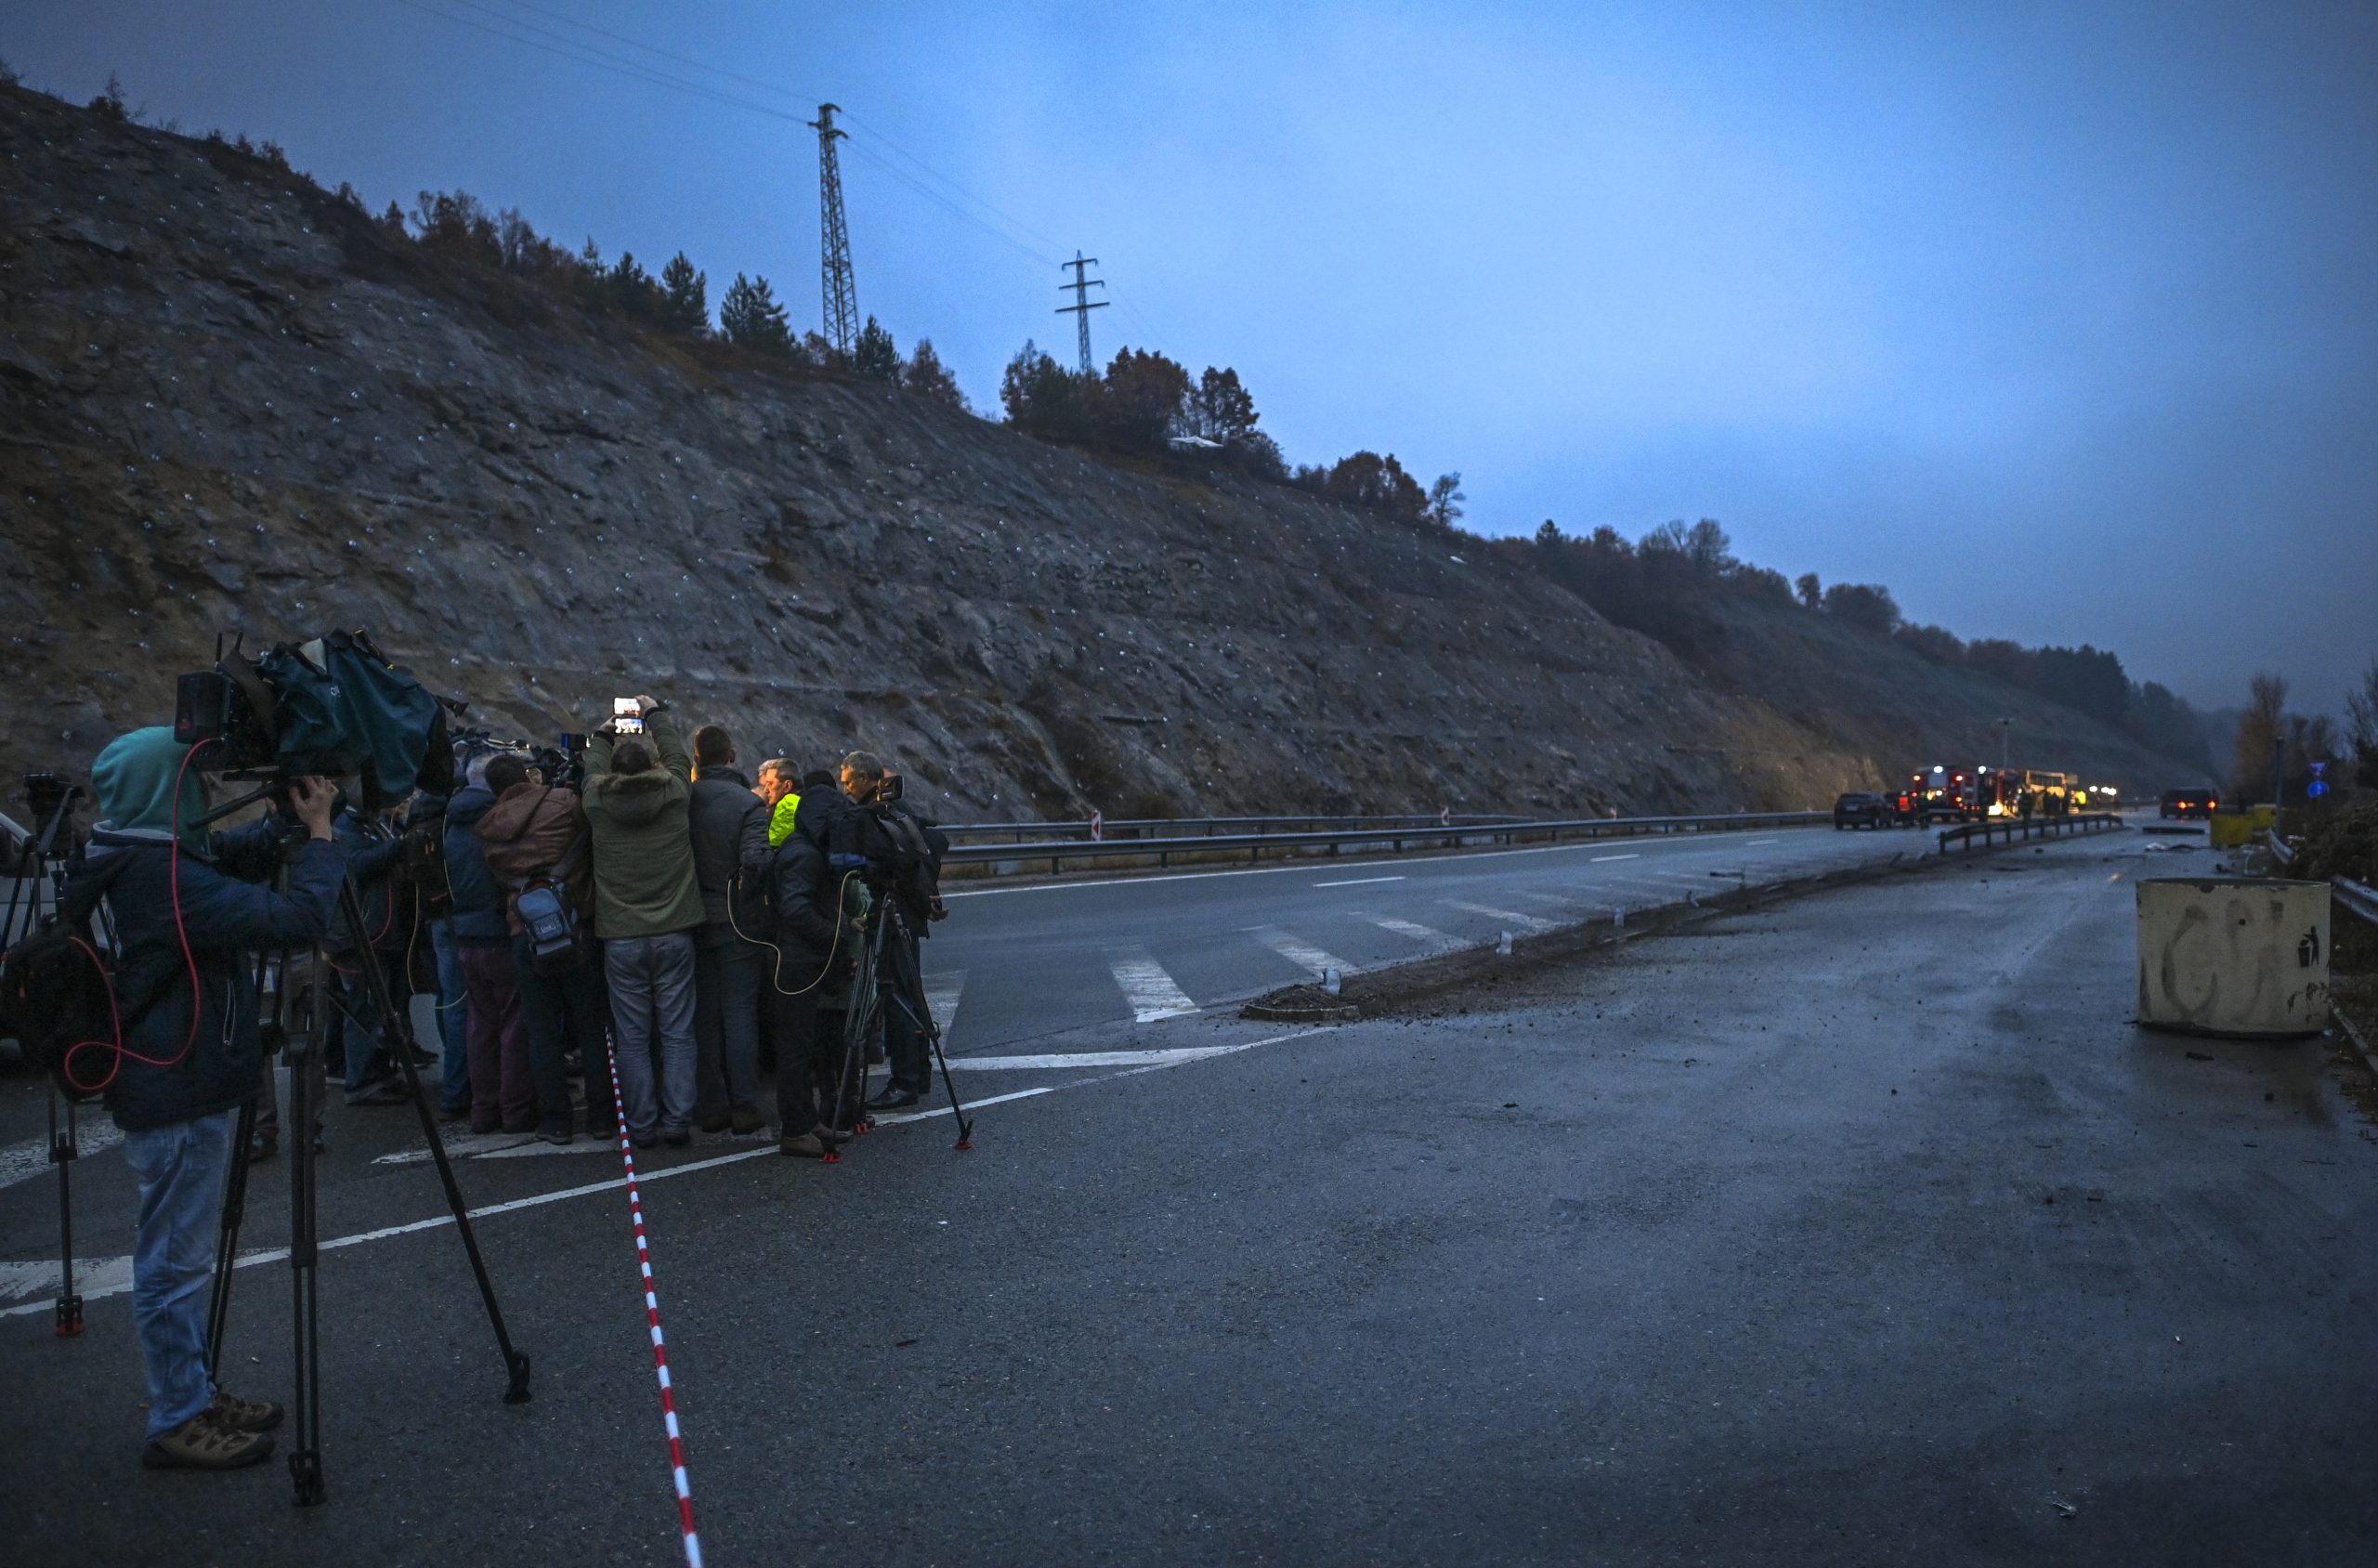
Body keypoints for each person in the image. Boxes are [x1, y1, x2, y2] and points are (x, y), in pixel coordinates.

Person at [75, 727, 345, 1470]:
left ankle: (192, 1390)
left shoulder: (133, 854)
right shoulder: (163, 878)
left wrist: (284, 822)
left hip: (174, 1077)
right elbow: (298, 921)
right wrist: (321, 838)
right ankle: (176, 1416)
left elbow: (219, 856)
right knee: (174, 1262)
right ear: (167, 791)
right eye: (195, 782)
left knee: (180, 1257)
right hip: (174, 1088)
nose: (206, 794)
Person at [581, 696, 703, 1148]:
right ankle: (678, 1121)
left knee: (631, 1039)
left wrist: (604, 730)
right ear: (652, 766)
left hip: (621, 937)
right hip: (674, 932)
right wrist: (654, 713)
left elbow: (591, 766)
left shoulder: (596, 801)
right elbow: (678, 756)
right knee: (678, 1033)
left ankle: (642, 1124)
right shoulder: (674, 794)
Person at [478, 752, 614, 1143]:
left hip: (526, 934)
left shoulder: (488, 826)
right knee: (591, 1025)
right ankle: (601, 1116)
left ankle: (556, 1119)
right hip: (575, 924)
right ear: (527, 775)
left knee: (541, 1031)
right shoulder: (564, 803)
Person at [842, 751, 947, 1111]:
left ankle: (904, 1081)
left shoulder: (879, 818)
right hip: (908, 913)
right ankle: (919, 1073)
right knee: (910, 993)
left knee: (896, 995)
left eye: (849, 781)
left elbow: (887, 863)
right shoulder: (901, 815)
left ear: (866, 779)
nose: (845, 789)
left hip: (893, 912)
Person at [763, 785, 858, 1159]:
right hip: (795, 961)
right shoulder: (804, 854)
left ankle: (806, 1120)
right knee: (794, 1048)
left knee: (802, 1045)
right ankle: (795, 1129)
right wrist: (835, 935)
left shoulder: (805, 848)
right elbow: (796, 909)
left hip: (801, 958)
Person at [445, 754, 537, 1134]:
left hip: (466, 934)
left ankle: (483, 1109)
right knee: (513, 1026)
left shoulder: (451, 823)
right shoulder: (497, 823)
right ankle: (515, 1110)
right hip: (499, 933)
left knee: (479, 1027)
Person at [686, 725, 770, 1134]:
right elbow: (756, 861)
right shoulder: (748, 803)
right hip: (737, 921)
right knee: (739, 1013)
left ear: (696, 759)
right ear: (733, 756)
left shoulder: (682, 800)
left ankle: (711, 1105)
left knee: (703, 1015)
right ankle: (745, 1105)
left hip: (690, 919)